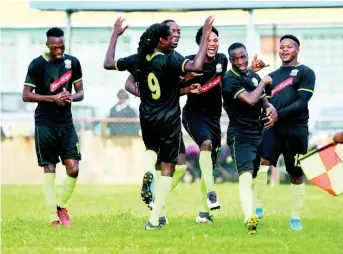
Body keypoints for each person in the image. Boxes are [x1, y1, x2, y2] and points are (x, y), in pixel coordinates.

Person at [103, 16, 214, 230]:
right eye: (169, 36)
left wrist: (115, 35)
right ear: (160, 41)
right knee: (168, 169)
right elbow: (197, 65)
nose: (173, 38)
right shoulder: (169, 60)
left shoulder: (139, 58)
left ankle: (147, 171)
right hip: (169, 118)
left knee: (151, 149)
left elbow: (108, 63)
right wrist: (205, 36)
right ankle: (154, 221)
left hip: (147, 116)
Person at [124, 20, 188, 219]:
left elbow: (173, 89)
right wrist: (148, 95)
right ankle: (157, 207)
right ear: (163, 37)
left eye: (179, 31)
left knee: (176, 162)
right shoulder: (169, 59)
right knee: (173, 164)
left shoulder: (175, 57)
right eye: (172, 31)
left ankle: (155, 201)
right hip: (168, 119)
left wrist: (186, 88)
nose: (176, 34)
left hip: (152, 117)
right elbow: (129, 83)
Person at [22, 27, 84, 227]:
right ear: (47, 45)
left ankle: (61, 205)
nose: (59, 51)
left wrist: (69, 97)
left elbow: (81, 92)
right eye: (55, 47)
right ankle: (52, 217)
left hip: (66, 123)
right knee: (49, 169)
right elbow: (26, 95)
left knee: (73, 169)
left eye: (62, 46)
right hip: (44, 124)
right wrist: (52, 98)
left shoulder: (72, 62)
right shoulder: (37, 65)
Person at [255, 35, 316, 231]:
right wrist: (253, 73)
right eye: (282, 46)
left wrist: (277, 114)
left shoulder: (306, 73)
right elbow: (261, 99)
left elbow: (302, 102)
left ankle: (295, 218)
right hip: (273, 128)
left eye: (289, 46)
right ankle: (257, 209)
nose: (285, 49)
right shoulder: (271, 76)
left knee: (295, 173)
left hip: (297, 129)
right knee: (263, 164)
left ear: (298, 49)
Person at [221, 42, 277, 234]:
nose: (240, 61)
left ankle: (252, 211)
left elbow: (263, 102)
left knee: (253, 176)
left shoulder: (252, 76)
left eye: (243, 57)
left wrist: (271, 110)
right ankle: (249, 218)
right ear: (230, 60)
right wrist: (263, 80)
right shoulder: (229, 80)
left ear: (247, 55)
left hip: (258, 133)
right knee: (245, 177)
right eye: (235, 59)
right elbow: (251, 99)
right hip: (240, 135)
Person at [181, 26, 227, 223]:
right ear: (200, 44)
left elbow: (231, 79)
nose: (212, 43)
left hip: (214, 119)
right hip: (193, 115)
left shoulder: (222, 60)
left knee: (210, 166)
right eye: (208, 40)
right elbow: (173, 87)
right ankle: (211, 192)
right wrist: (188, 86)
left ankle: (203, 214)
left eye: (215, 39)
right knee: (206, 144)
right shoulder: (189, 62)